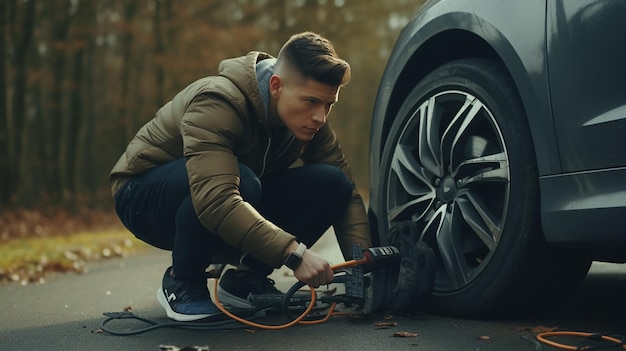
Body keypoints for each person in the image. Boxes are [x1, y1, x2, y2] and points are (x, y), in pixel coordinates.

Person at [110, 31, 372, 322]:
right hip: (142, 198)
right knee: (241, 180)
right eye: (311, 101)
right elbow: (216, 199)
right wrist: (294, 253)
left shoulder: (312, 125)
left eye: (328, 104)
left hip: (227, 192)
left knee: (333, 183)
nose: (320, 117)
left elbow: (346, 197)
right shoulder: (218, 101)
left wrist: (364, 270)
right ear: (276, 86)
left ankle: (246, 279)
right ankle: (182, 282)